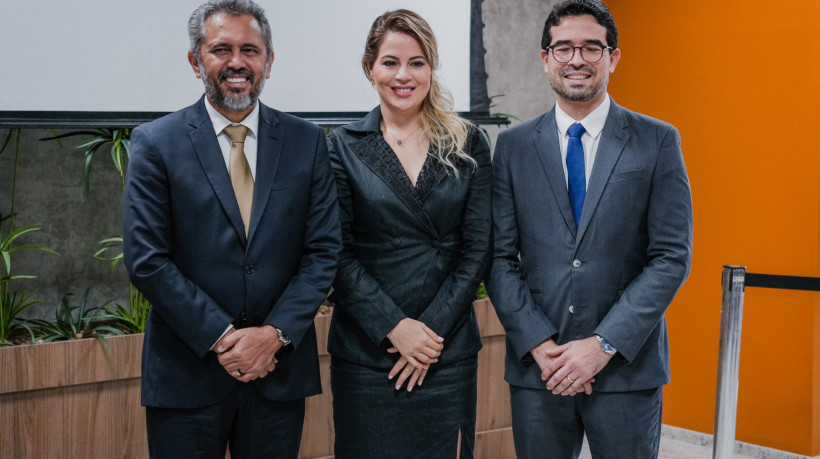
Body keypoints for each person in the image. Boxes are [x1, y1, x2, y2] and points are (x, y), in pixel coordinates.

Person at [122, 0, 341, 457]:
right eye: (221, 49)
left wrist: (273, 335)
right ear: (195, 60)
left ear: (269, 61)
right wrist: (223, 339)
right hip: (187, 375)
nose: (237, 62)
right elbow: (147, 260)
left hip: (277, 374)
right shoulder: (155, 143)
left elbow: (323, 252)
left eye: (251, 50)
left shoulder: (307, 141)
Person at [487, 0, 693, 458]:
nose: (576, 59)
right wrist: (539, 343)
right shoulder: (514, 146)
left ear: (612, 57)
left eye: (591, 48)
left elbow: (670, 258)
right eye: (563, 48)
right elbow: (499, 258)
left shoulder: (658, 140)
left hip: (625, 370)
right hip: (540, 370)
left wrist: (602, 345)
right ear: (545, 59)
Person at [325, 9, 492, 459]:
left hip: (446, 351)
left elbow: (477, 249)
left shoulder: (466, 141)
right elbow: (335, 254)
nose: (404, 75)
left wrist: (427, 336)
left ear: (431, 68)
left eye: (417, 62)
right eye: (391, 62)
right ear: (370, 68)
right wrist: (395, 328)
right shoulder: (342, 146)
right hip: (368, 353)